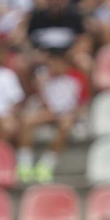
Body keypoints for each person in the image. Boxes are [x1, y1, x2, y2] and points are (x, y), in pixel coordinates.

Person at [18, 47, 89, 182]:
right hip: (49, 113)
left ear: (62, 63)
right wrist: (41, 85)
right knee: (27, 121)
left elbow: (82, 104)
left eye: (53, 64)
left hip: (68, 114)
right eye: (49, 64)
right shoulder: (44, 78)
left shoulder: (78, 77)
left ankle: (46, 164)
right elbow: (41, 101)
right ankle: (24, 164)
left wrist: (73, 113)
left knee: (66, 124)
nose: (51, 67)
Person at [27, 0, 91, 70]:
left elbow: (84, 40)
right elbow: (26, 41)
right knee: (22, 64)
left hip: (67, 59)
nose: (55, 2)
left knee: (85, 63)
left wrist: (68, 55)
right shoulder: (36, 16)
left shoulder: (74, 15)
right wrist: (34, 54)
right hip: (43, 60)